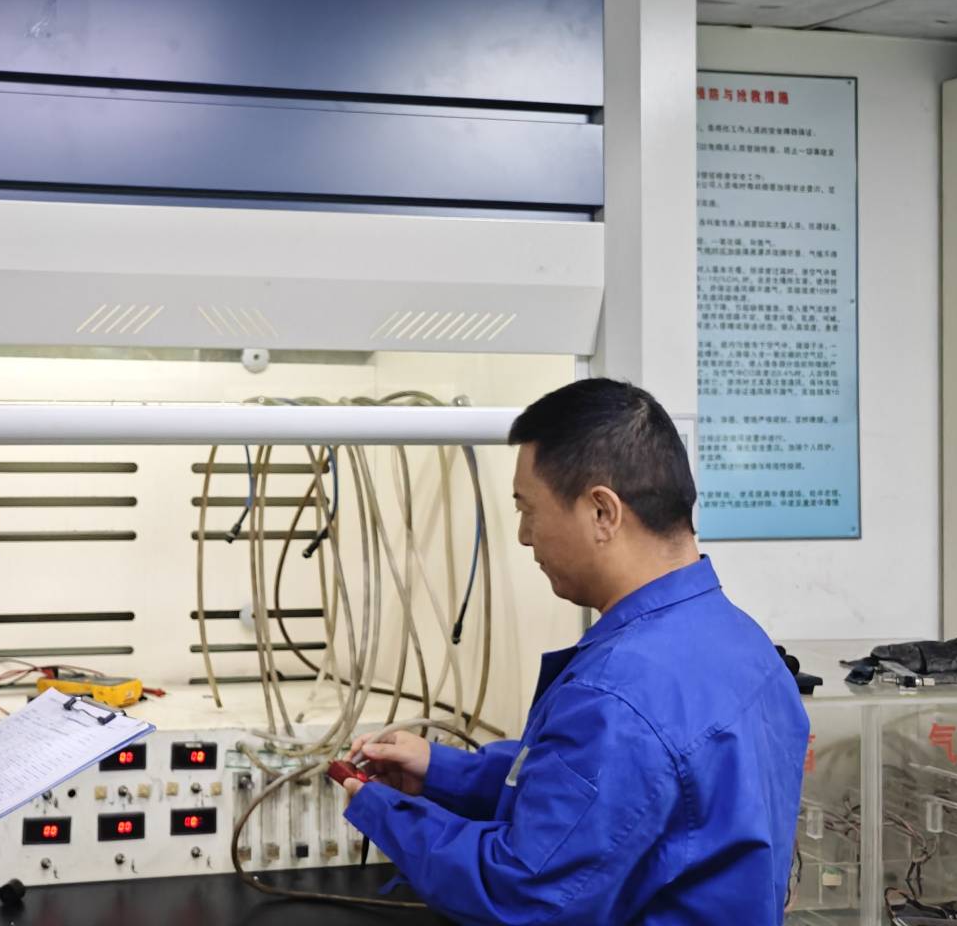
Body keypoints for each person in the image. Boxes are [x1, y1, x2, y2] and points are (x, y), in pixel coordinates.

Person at [339, 379, 809, 924]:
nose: (524, 536)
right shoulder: (742, 642)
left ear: (602, 512)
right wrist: (442, 772)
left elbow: (524, 895)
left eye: (528, 509)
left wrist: (385, 812)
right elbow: (600, 804)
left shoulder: (619, 695)